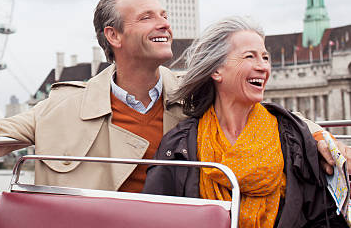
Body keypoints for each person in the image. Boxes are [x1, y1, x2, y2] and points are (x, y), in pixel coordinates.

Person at [0, 0, 346, 192]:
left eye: (163, 14)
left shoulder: (194, 91)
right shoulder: (63, 105)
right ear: (115, 36)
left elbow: (265, 116)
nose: (164, 23)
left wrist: (322, 137)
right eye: (147, 17)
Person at [142, 17, 345, 227]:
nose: (262, 66)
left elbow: (325, 217)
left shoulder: (293, 137)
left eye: (265, 58)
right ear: (216, 71)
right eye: (250, 56)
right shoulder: (179, 145)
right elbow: (155, 217)